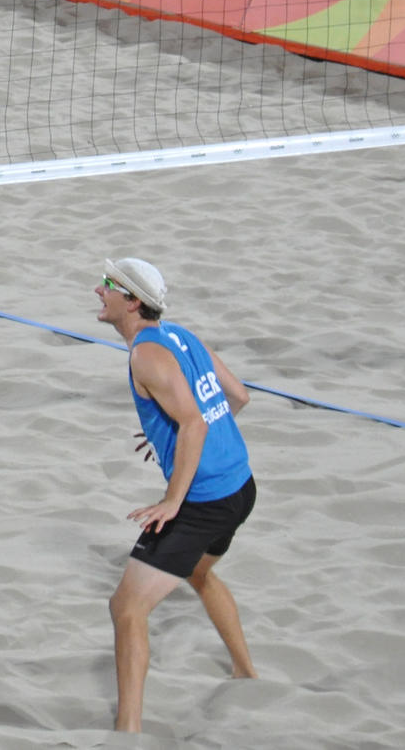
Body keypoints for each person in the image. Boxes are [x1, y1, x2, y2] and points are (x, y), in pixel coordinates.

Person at [93, 257, 258, 734]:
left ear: (132, 302)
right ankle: (245, 672)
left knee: (126, 609)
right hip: (241, 488)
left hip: (203, 503)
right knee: (199, 573)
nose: (99, 291)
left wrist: (172, 499)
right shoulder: (180, 335)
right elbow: (237, 397)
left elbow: (195, 423)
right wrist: (172, 437)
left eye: (108, 284)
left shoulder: (145, 356)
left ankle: (127, 733)